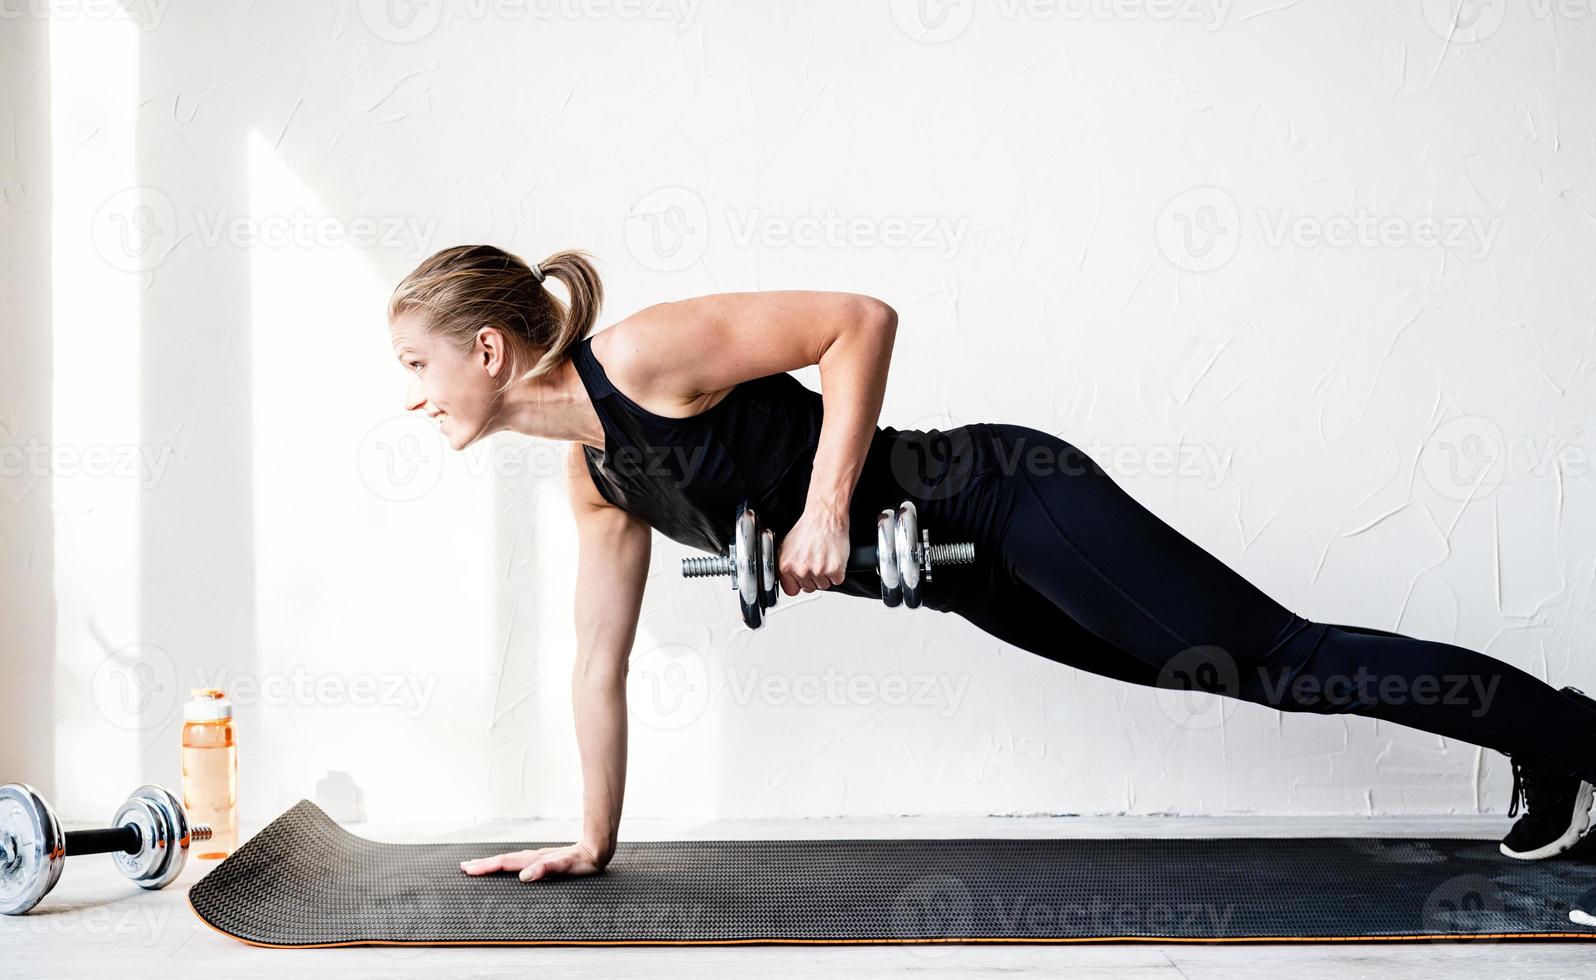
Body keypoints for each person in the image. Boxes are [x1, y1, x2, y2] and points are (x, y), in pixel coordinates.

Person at [385, 244, 1596, 923]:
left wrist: (819, 506)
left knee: (1277, 659)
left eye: (418, 364)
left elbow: (857, 318)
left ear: (486, 349)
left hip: (1008, 496)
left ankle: (1575, 729)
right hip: (964, 575)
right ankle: (1549, 733)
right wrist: (591, 840)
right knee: (1228, 672)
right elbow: (598, 663)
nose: (413, 391)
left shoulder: (642, 354)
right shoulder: (596, 481)